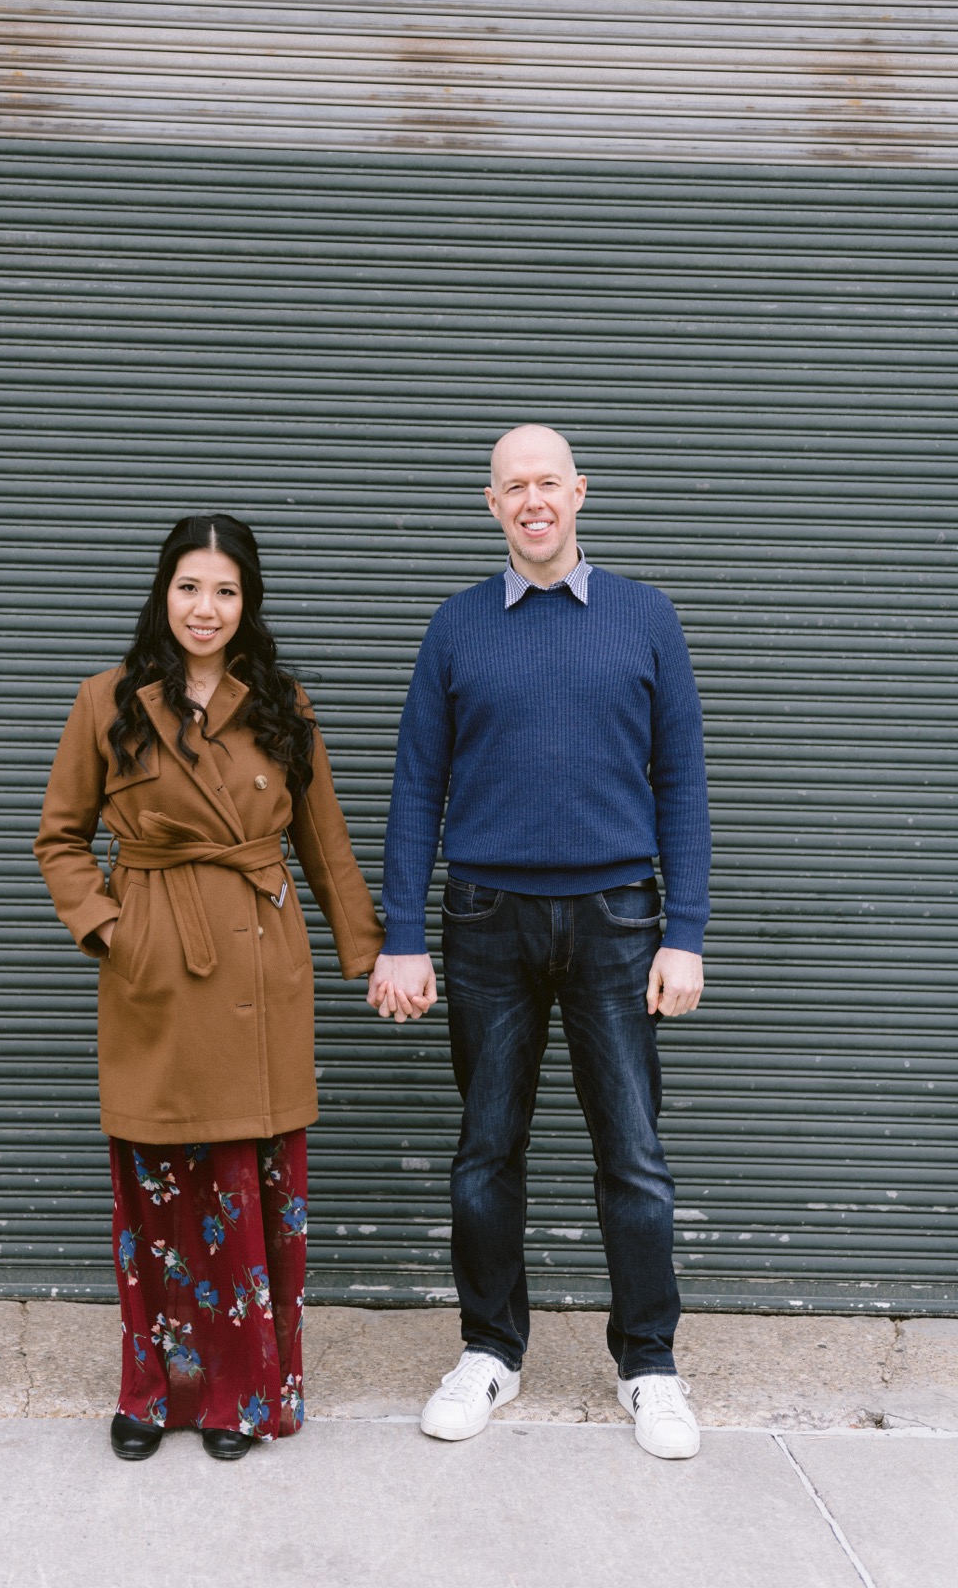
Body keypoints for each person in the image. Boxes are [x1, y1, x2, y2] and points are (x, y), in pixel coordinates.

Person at [370, 425, 710, 1460]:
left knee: (633, 1158)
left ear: (578, 494)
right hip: (482, 921)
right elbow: (415, 788)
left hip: (616, 919)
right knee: (484, 1152)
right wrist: (399, 936)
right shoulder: (455, 628)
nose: (531, 502)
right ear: (490, 504)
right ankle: (489, 1352)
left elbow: (681, 784)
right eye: (512, 486)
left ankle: (647, 1365)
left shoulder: (644, 618)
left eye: (547, 484)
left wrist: (683, 933)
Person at [34, 514, 383, 1462]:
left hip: (259, 969)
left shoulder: (280, 702)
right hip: (157, 969)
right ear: (164, 593)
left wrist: (377, 955)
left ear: (247, 604)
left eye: (226, 591)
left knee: (247, 1186)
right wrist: (112, 930)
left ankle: (243, 1393)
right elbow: (60, 839)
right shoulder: (107, 701)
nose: (206, 608)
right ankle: (152, 1391)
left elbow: (325, 844)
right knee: (156, 1193)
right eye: (191, 587)